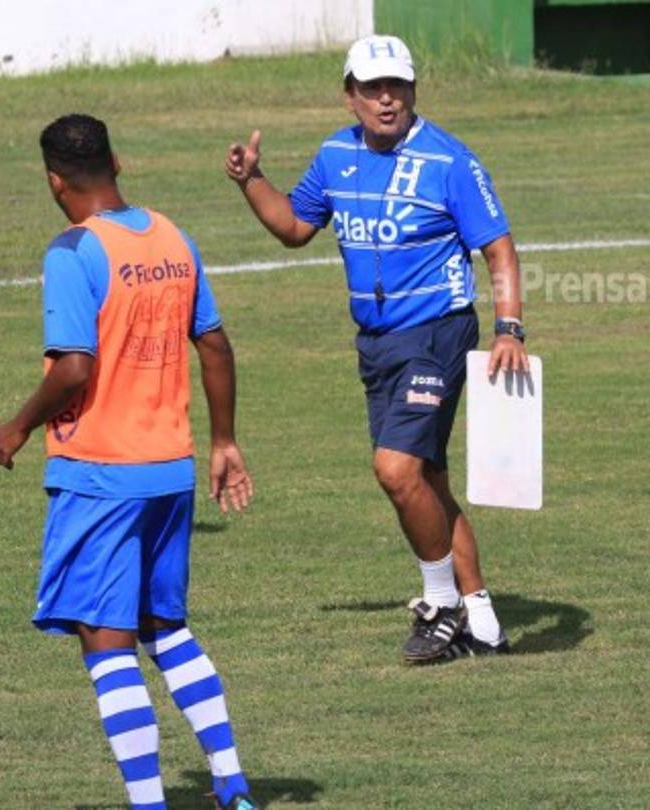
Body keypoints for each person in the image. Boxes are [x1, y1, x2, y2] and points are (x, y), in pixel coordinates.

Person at [224, 35, 527, 663]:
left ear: (413, 91)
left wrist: (509, 327)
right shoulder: (336, 154)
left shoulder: (449, 161)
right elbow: (294, 227)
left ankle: (439, 603)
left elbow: (497, 248)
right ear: (349, 95)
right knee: (425, 480)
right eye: (372, 88)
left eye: (398, 87)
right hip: (378, 344)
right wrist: (252, 181)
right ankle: (485, 626)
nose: (386, 99)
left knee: (395, 470)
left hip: (437, 332)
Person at [0, 114, 258, 810]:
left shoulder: (74, 251)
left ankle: (148, 803)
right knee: (164, 628)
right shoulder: (172, 236)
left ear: (54, 181)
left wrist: (19, 426)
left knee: (107, 644)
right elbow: (217, 346)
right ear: (117, 161)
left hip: (102, 474)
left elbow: (74, 367)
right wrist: (224, 441)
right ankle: (230, 783)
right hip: (170, 469)